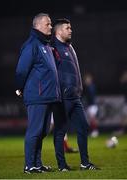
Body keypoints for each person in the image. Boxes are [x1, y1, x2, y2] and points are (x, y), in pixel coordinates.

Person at [52, 18, 100, 171]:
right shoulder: (53, 48)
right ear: (59, 31)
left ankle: (85, 163)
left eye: (70, 27)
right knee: (60, 130)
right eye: (67, 28)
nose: (70, 30)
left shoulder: (69, 46)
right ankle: (62, 165)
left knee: (84, 127)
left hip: (75, 96)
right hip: (63, 97)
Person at [15, 13, 61, 174]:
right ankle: (29, 165)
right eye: (48, 24)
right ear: (38, 26)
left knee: (42, 131)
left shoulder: (46, 45)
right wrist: (19, 87)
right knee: (35, 131)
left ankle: (37, 164)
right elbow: (21, 70)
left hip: (48, 95)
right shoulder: (31, 45)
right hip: (37, 95)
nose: (50, 26)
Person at [83, 73, 99, 138]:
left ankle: (95, 131)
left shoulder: (91, 86)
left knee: (93, 118)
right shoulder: (86, 87)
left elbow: (91, 95)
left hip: (93, 105)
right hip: (89, 105)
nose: (87, 80)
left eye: (88, 79)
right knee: (89, 120)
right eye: (86, 79)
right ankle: (92, 131)